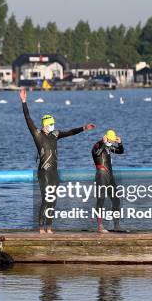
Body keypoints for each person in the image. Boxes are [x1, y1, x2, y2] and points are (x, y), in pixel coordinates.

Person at [19, 88, 95, 234]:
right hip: (44, 172)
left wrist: (84, 128)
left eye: (54, 123)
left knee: (53, 201)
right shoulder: (37, 134)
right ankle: (41, 228)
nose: (54, 126)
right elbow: (28, 118)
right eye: (51, 124)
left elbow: (70, 132)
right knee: (45, 199)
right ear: (45, 125)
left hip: (54, 173)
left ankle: (49, 227)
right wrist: (24, 101)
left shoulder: (55, 134)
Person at [92, 129, 124, 233]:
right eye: (112, 140)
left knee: (116, 200)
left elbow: (120, 151)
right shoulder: (98, 145)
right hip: (101, 175)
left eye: (114, 140)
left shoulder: (109, 147)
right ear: (107, 137)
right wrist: (103, 143)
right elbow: (96, 154)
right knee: (100, 200)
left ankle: (117, 225)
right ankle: (100, 226)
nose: (113, 142)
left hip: (110, 176)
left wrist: (120, 144)